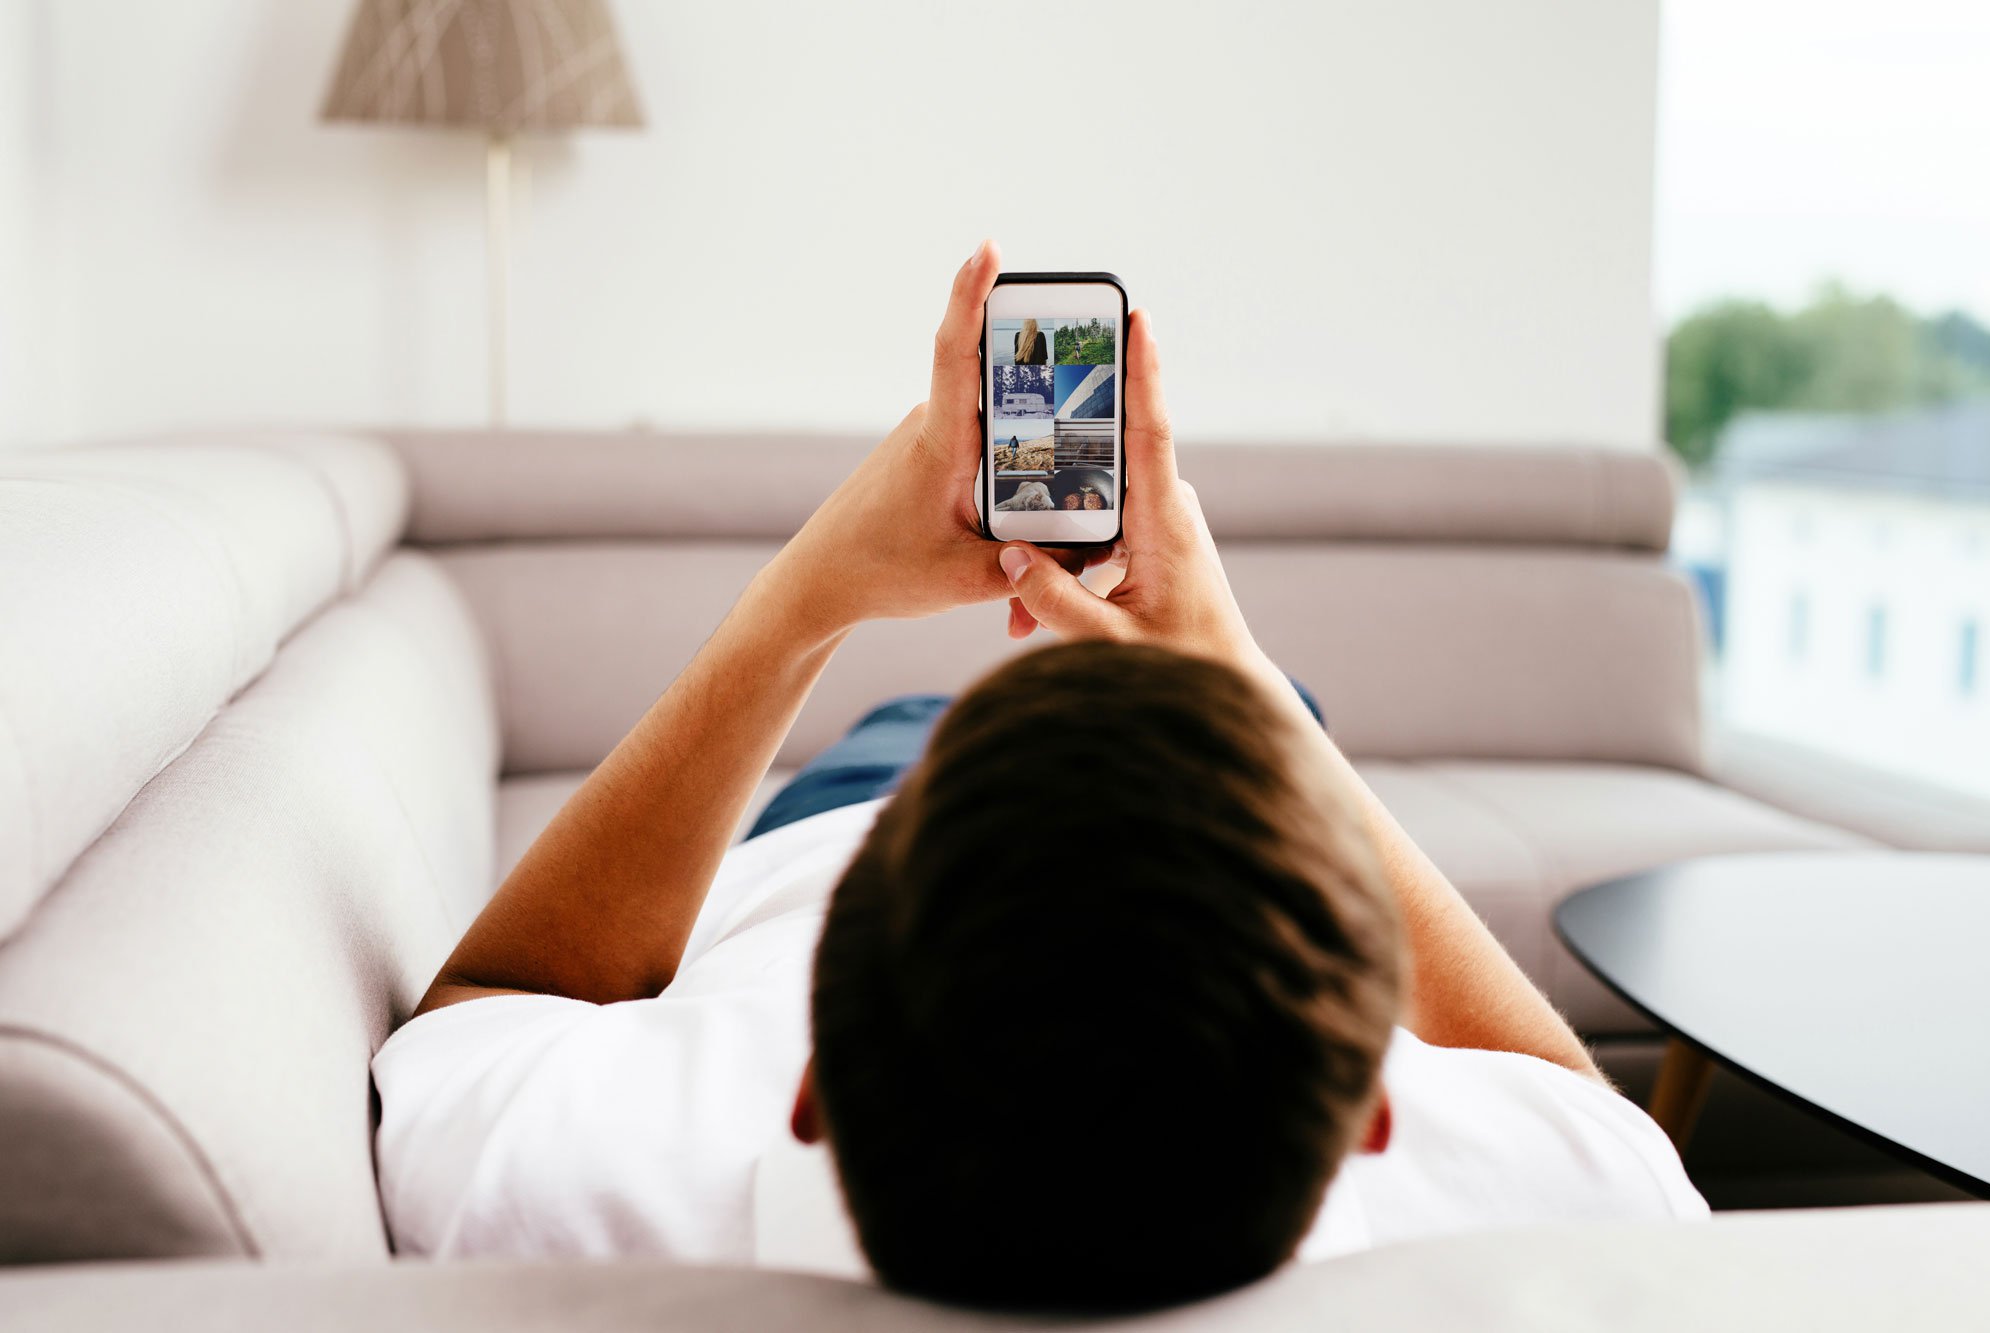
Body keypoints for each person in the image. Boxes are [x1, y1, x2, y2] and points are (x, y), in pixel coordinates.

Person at [372, 242, 1706, 1313]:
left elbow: (489, 1000)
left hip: (860, 806)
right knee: (1269, 721)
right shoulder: (1525, 1224)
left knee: (999, 723)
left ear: (808, 1093)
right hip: (1091, 839)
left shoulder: (610, 1178)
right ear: (1372, 1118)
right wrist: (1237, 683)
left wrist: (807, 595)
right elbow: (1593, 1120)